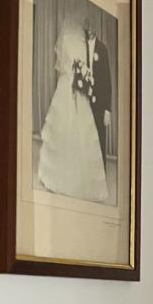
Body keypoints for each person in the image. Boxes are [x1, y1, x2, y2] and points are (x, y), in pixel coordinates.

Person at [37, 17, 109, 202]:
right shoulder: (70, 40)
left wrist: (82, 80)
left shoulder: (90, 45)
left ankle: (82, 178)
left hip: (81, 92)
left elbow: (99, 76)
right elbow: (63, 66)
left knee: (82, 132)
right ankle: (61, 176)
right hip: (66, 88)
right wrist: (74, 78)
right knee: (65, 128)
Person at [84, 19, 113, 162]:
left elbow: (107, 81)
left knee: (99, 137)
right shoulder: (81, 47)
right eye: (87, 26)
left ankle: (101, 171)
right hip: (84, 101)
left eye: (91, 26)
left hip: (100, 104)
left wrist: (107, 109)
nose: (89, 29)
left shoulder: (102, 49)